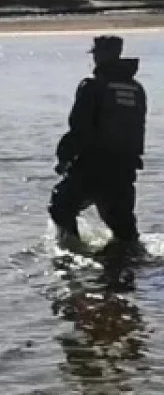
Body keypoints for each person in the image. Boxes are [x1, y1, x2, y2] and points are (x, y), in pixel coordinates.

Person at [49, 34, 147, 248]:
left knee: (61, 205)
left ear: (101, 56)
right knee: (124, 228)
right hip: (125, 166)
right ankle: (128, 266)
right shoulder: (136, 89)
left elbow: (79, 128)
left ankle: (72, 254)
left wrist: (64, 158)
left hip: (93, 163)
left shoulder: (92, 86)